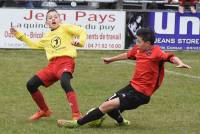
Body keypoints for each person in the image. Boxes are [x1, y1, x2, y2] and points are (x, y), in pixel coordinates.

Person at [56, 28, 191, 128]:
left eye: (139, 41)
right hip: (131, 87)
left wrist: (179, 62)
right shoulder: (139, 50)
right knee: (108, 105)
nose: (136, 43)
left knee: (106, 106)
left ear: (148, 43)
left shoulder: (156, 52)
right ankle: (121, 122)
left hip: (141, 94)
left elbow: (170, 57)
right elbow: (127, 55)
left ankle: (76, 123)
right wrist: (111, 59)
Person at [10, 9, 87, 121]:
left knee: (65, 82)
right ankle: (44, 110)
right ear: (46, 23)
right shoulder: (46, 37)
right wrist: (19, 35)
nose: (53, 19)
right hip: (52, 66)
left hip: (66, 61)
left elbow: (81, 31)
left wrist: (80, 42)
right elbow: (34, 44)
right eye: (50, 18)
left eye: (55, 17)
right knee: (31, 84)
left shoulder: (65, 28)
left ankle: (76, 114)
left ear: (60, 19)